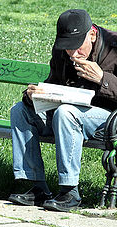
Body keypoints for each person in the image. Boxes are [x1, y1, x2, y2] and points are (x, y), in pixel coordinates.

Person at [8, 9, 117, 212]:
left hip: (110, 120)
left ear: (92, 34)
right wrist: (34, 95)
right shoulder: (62, 50)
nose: (73, 54)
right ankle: (37, 187)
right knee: (20, 110)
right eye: (68, 49)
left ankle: (70, 192)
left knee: (66, 113)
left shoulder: (114, 48)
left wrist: (103, 79)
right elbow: (55, 84)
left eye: (77, 48)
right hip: (67, 115)